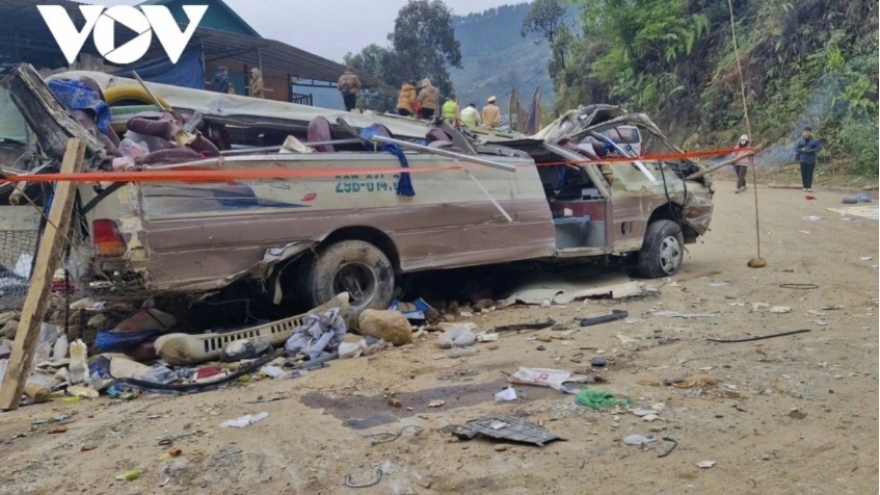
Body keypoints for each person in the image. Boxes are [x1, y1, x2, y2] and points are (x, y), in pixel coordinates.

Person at [795, 126, 821, 192]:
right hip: (803, 159)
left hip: (811, 159)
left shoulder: (815, 140)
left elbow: (818, 148)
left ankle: (809, 186)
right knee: (803, 173)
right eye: (805, 132)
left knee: (809, 173)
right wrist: (802, 149)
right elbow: (796, 149)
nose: (806, 133)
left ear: (810, 133)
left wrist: (811, 150)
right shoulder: (800, 141)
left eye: (808, 132)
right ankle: (804, 186)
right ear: (803, 133)